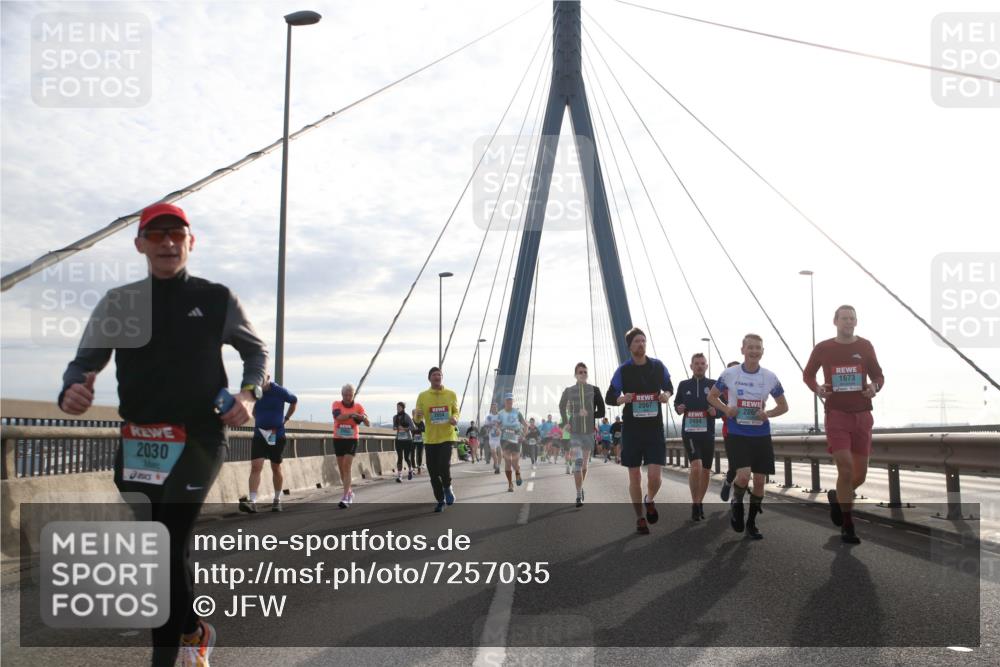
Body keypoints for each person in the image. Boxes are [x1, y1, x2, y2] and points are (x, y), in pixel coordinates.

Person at [58, 202, 267, 666]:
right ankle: (194, 629)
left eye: (177, 234)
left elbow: (256, 353)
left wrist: (248, 396)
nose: (168, 243)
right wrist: (73, 387)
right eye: (156, 236)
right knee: (160, 551)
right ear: (140, 246)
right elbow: (84, 361)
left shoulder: (217, 299)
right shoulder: (121, 303)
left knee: (163, 544)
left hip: (198, 437)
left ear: (192, 242)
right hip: (139, 442)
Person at [803, 305, 884, 544]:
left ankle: (837, 497)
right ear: (835, 321)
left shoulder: (865, 346)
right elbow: (808, 374)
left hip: (862, 415)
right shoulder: (824, 348)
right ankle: (848, 525)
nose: (849, 322)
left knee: (860, 475)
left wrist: (874, 387)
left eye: (852, 318)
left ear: (856, 322)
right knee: (846, 469)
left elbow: (879, 375)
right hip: (836, 415)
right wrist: (817, 388)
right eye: (844, 318)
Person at [708, 334, 789, 540]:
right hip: (737, 433)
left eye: (758, 348)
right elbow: (711, 396)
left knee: (760, 482)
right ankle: (737, 501)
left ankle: (751, 523)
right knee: (743, 476)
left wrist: (768, 413)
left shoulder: (770, 377)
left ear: (763, 351)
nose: (754, 351)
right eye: (750, 347)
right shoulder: (729, 374)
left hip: (761, 434)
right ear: (742, 350)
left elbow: (783, 406)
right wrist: (727, 410)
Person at [605, 327, 673, 535]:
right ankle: (639, 518)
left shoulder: (657, 366)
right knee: (634, 477)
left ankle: (649, 499)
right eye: (636, 342)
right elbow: (610, 396)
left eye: (643, 341)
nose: (641, 344)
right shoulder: (623, 370)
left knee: (655, 477)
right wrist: (621, 399)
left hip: (654, 429)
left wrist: (666, 395)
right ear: (629, 346)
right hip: (632, 430)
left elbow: (670, 386)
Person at [239, 373, 297, 513]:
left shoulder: (279, 391)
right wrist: (258, 418)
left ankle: (277, 499)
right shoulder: (254, 392)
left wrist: (286, 418)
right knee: (255, 466)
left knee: (275, 467)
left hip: (276, 434)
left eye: (262, 379)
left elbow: (294, 400)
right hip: (260, 434)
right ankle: (252, 501)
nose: (260, 382)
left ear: (268, 378)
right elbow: (248, 406)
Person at [673, 353, 718, 521]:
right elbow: (677, 403)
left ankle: (699, 502)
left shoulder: (713, 385)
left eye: (702, 363)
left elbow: (722, 407)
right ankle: (695, 503)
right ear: (691, 366)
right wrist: (679, 407)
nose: (699, 366)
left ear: (706, 366)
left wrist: (717, 412)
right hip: (690, 433)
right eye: (696, 363)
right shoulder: (684, 385)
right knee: (696, 467)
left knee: (706, 471)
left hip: (708, 433)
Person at [559, 362, 606, 508]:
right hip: (575, 432)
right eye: (580, 372)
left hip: (589, 433)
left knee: (584, 464)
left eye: (585, 372)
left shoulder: (595, 390)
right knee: (578, 462)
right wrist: (566, 422)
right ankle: (578, 495)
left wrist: (590, 414)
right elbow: (561, 406)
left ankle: (580, 487)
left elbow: (602, 412)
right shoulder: (569, 391)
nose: (583, 374)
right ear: (575, 374)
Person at [414, 367, 460, 511]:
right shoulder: (423, 396)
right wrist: (417, 415)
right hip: (430, 439)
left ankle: (447, 488)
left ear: (442, 377)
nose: (437, 376)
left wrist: (455, 418)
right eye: (434, 375)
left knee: (443, 466)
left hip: (447, 436)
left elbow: (456, 411)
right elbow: (417, 420)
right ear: (429, 378)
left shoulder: (451, 394)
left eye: (439, 374)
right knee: (433, 472)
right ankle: (440, 500)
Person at [332, 383, 369, 508]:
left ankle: (345, 497)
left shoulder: (358, 406)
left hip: (352, 439)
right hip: (338, 439)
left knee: (347, 466)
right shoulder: (336, 404)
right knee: (342, 469)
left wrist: (363, 417)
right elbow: (338, 417)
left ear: (353, 395)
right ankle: (349, 492)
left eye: (350, 395)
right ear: (342, 395)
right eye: (346, 394)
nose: (348, 397)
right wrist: (352, 415)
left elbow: (367, 422)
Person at [718, 361, 741, 502]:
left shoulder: (750, 388)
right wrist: (728, 411)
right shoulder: (721, 391)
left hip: (749, 432)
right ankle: (727, 482)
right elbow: (719, 412)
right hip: (730, 432)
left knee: (745, 467)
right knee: (735, 465)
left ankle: (737, 498)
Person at [497, 392, 527, 491]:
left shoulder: (517, 412)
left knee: (515, 463)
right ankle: (510, 484)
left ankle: (517, 474)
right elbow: (497, 425)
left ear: (513, 401)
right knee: (507, 462)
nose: (509, 402)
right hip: (505, 439)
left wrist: (523, 435)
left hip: (516, 438)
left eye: (511, 400)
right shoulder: (500, 413)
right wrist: (497, 430)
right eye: (507, 400)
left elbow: (525, 425)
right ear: (504, 401)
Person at [392, 402, 415, 482]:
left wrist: (404, 428)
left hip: (407, 440)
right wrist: (397, 427)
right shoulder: (395, 417)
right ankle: (399, 475)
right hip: (399, 439)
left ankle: (410, 470)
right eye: (397, 407)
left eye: (399, 407)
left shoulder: (407, 416)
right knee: (400, 457)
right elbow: (394, 428)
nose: (397, 408)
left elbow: (413, 427)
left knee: (406, 457)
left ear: (403, 408)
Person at [411, 409, 426, 474]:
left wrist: (416, 430)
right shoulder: (411, 421)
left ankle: (419, 467)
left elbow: (424, 429)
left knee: (419, 454)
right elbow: (410, 429)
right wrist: (417, 430)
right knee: (412, 454)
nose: (415, 414)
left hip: (420, 440)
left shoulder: (421, 421)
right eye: (413, 413)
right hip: (412, 439)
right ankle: (413, 468)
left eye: (415, 413)